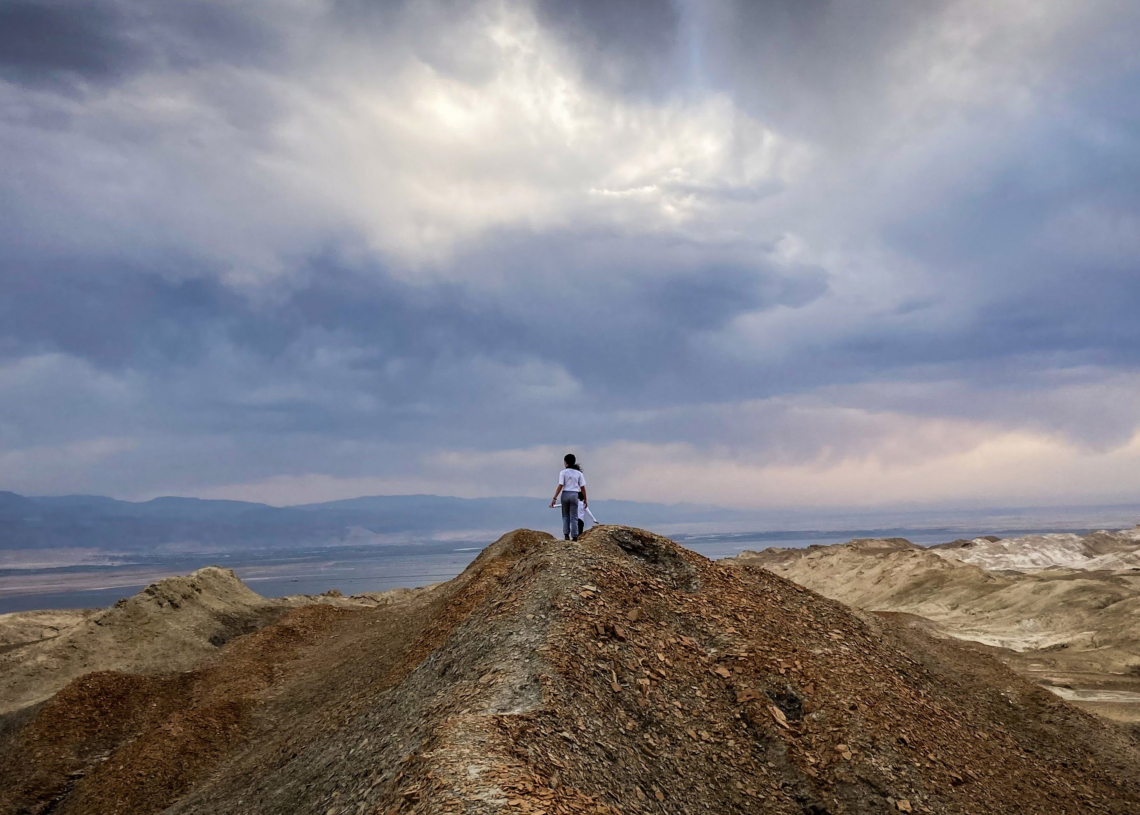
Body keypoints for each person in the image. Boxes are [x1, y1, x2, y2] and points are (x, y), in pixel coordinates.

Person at [550, 453, 587, 541]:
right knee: (574, 516)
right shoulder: (578, 473)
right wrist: (585, 499)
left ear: (565, 462)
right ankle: (574, 536)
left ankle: (566, 534)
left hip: (565, 494)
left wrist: (554, 498)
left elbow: (560, 485)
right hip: (574, 494)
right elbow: (582, 487)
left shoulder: (563, 472)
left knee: (565, 515)